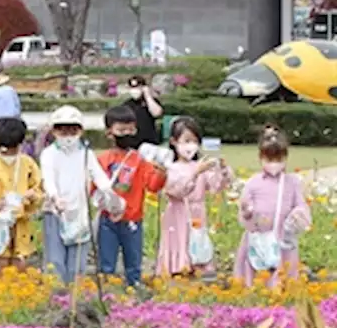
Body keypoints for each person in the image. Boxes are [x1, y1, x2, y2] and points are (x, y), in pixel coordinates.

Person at [39, 106, 112, 284]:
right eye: (62, 130)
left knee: (77, 262)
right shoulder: (49, 154)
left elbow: (99, 176)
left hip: (80, 212)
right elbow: (49, 179)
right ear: (54, 131)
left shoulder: (86, 154)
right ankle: (57, 296)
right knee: (55, 260)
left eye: (72, 130)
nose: (68, 136)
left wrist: (108, 192)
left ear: (80, 131)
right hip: (56, 212)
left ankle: (75, 296)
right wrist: (55, 197)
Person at [96, 105, 167, 287]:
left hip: (133, 218)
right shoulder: (102, 160)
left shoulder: (141, 160)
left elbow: (152, 186)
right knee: (106, 262)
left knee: (134, 262)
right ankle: (108, 293)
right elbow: (93, 188)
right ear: (109, 133)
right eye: (121, 130)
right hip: (108, 219)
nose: (127, 133)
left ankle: (134, 292)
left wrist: (162, 173)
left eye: (130, 129)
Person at [155, 117, 230, 279]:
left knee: (198, 240)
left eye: (195, 141)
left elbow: (216, 186)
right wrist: (196, 172)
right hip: (178, 212)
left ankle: (199, 267)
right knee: (180, 239)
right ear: (174, 142)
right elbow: (177, 190)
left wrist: (222, 170)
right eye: (186, 140)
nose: (191, 146)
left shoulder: (200, 165)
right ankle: (178, 267)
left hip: (197, 212)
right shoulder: (171, 168)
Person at [234, 129, 312, 285]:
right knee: (257, 267)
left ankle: (282, 293)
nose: (274, 164)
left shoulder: (292, 182)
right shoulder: (254, 183)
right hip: (259, 237)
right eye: (269, 159)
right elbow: (245, 213)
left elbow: (301, 205)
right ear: (261, 158)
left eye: (279, 159)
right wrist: (247, 211)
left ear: (285, 158)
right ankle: (254, 292)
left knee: (284, 267)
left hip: (282, 236)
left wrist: (298, 214)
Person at [0, 117, 42, 273]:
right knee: (0, 264)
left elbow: (38, 189)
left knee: (20, 265)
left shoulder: (28, 164)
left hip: (21, 224)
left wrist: (33, 197)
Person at [121, 75, 163, 145]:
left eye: (137, 87)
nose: (134, 90)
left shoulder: (152, 101)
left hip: (150, 142)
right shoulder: (126, 104)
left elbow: (157, 113)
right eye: (132, 87)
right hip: (133, 143)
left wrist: (147, 95)